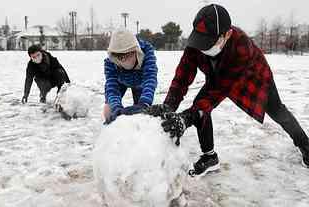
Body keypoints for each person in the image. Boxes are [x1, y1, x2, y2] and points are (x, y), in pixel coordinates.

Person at [144, 4, 309, 177]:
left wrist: (187, 118)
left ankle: (305, 145)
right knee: (200, 107)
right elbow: (182, 76)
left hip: (255, 79)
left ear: (227, 35)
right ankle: (210, 157)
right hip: (219, 77)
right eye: (200, 42)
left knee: (278, 112)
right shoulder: (196, 42)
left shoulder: (241, 45)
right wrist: (168, 105)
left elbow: (219, 90)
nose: (202, 48)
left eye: (208, 43)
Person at [103, 30, 158, 124]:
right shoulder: (110, 62)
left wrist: (144, 103)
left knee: (141, 113)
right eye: (120, 58)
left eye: (127, 56)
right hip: (120, 81)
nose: (124, 61)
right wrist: (116, 107)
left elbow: (150, 78)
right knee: (109, 110)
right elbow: (112, 87)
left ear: (135, 51)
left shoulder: (147, 51)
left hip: (140, 81)